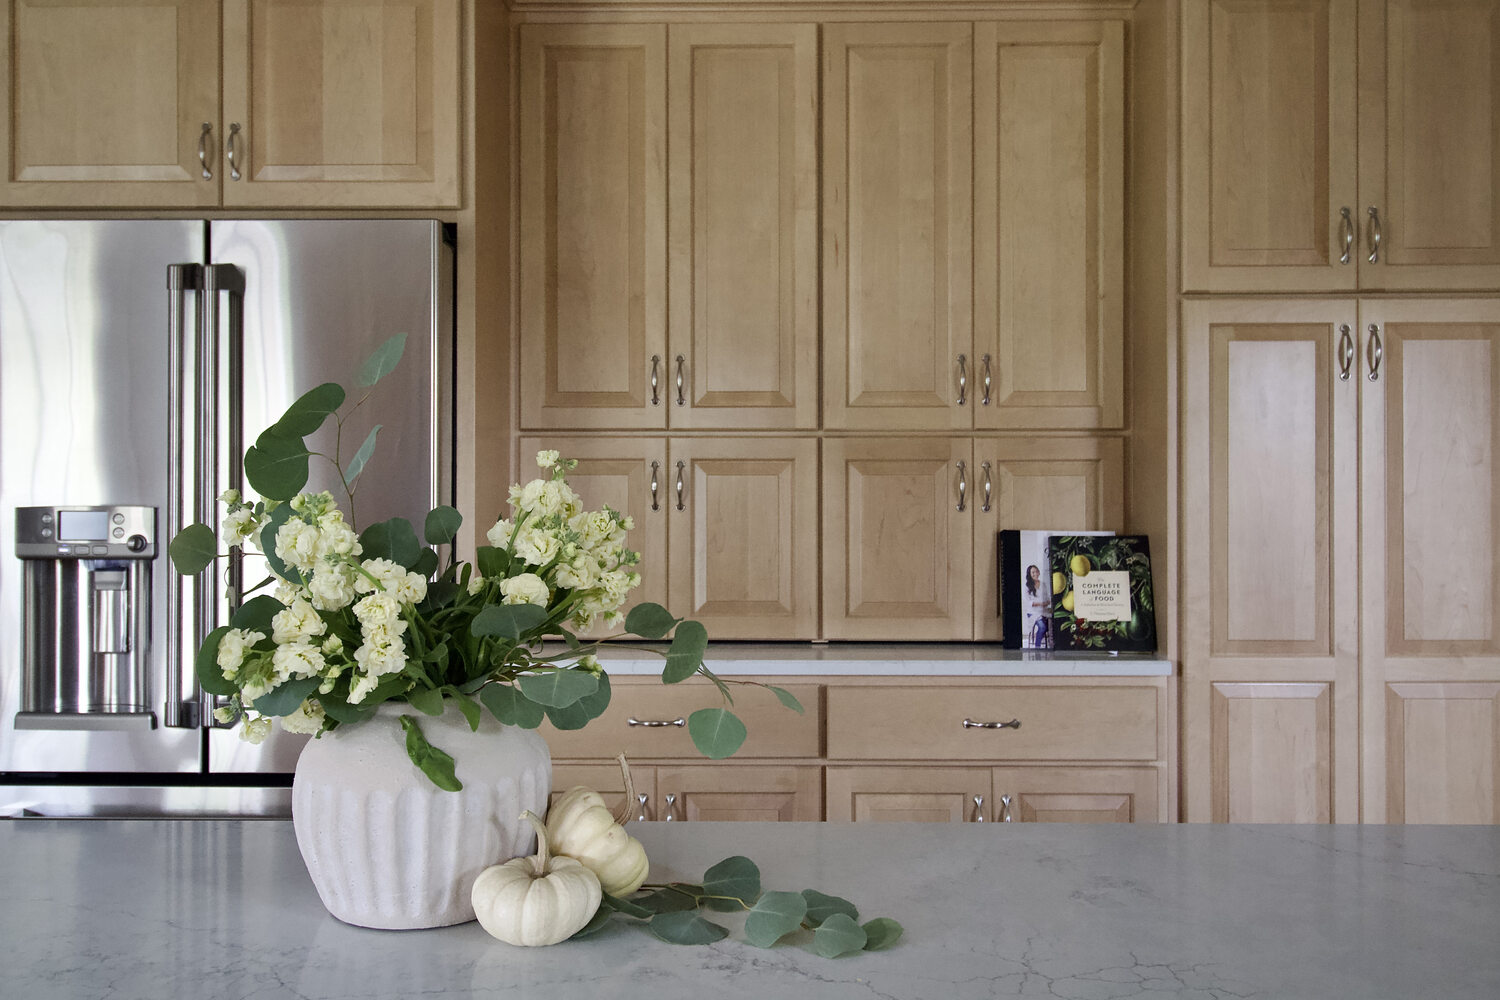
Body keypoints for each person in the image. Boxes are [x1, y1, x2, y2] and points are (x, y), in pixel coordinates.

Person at [1023, 563, 1051, 649]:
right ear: (1030, 574)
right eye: (1033, 572)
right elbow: (1029, 603)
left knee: (1050, 625)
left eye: (1036, 571)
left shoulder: (1043, 584)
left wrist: (1047, 602)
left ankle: (1045, 641)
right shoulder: (1027, 586)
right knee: (1042, 627)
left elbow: (1047, 597)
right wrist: (1041, 604)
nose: (1035, 574)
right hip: (1033, 613)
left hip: (1044, 611)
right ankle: (1037, 646)